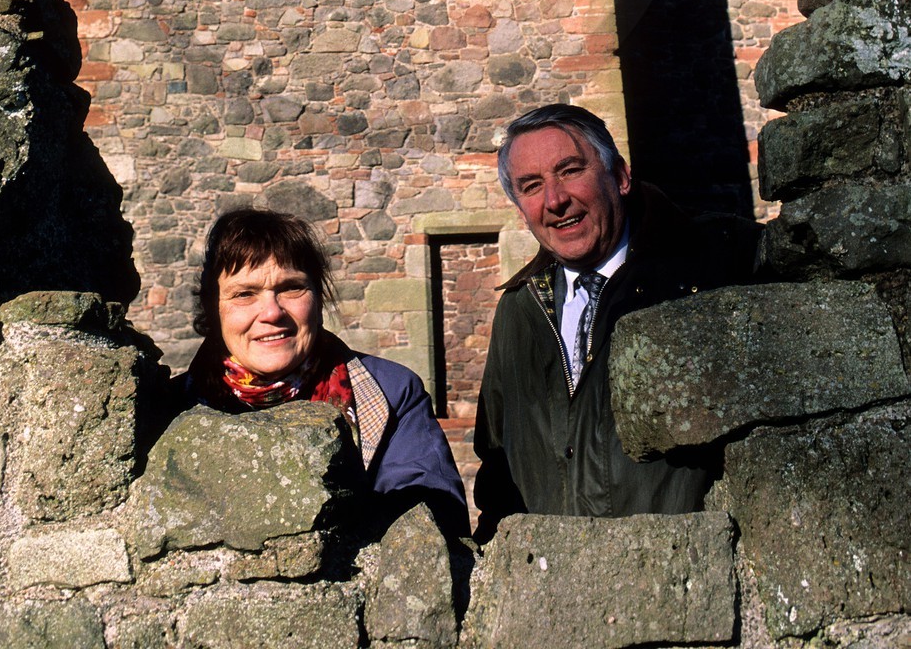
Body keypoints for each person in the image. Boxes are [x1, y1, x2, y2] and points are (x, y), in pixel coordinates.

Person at [473, 103, 758, 540]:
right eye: (531, 186)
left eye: (569, 171)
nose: (555, 200)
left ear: (621, 177)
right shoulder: (518, 309)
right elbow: (497, 473)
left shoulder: (718, 262)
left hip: (688, 583)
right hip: (549, 593)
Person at [180, 207, 468, 538]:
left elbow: (433, 530)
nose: (272, 312)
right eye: (244, 294)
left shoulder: (391, 393)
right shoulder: (170, 409)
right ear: (212, 308)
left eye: (291, 287)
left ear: (318, 299)